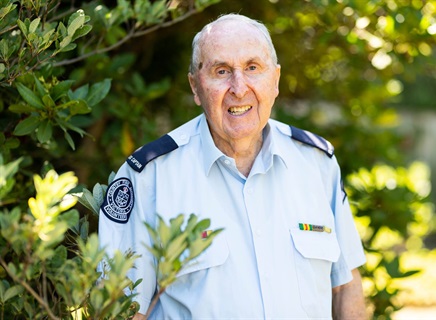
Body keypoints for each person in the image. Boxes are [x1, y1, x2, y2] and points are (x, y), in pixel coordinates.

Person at [98, 13, 367, 320]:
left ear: (275, 80)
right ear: (195, 87)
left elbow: (345, 285)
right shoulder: (148, 177)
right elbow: (122, 309)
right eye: (221, 71)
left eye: (253, 68)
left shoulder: (317, 164)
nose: (239, 88)